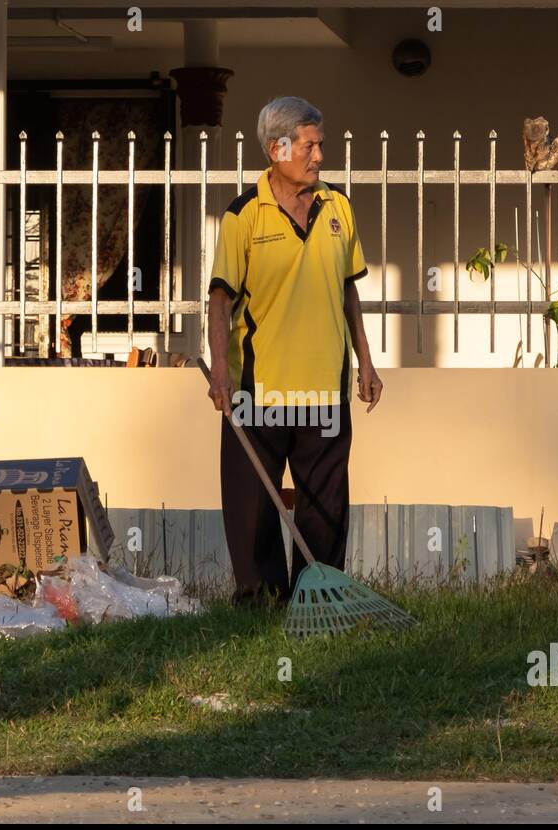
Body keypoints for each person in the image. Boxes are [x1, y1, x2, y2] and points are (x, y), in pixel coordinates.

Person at [205, 96, 383, 605]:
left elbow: (348, 290)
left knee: (325, 505)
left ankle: (318, 598)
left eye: (320, 145)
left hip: (324, 386)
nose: (319, 156)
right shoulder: (243, 216)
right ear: (277, 148)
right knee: (253, 504)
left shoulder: (338, 208)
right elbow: (220, 300)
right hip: (257, 390)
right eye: (310, 145)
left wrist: (365, 361)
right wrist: (220, 371)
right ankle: (261, 602)